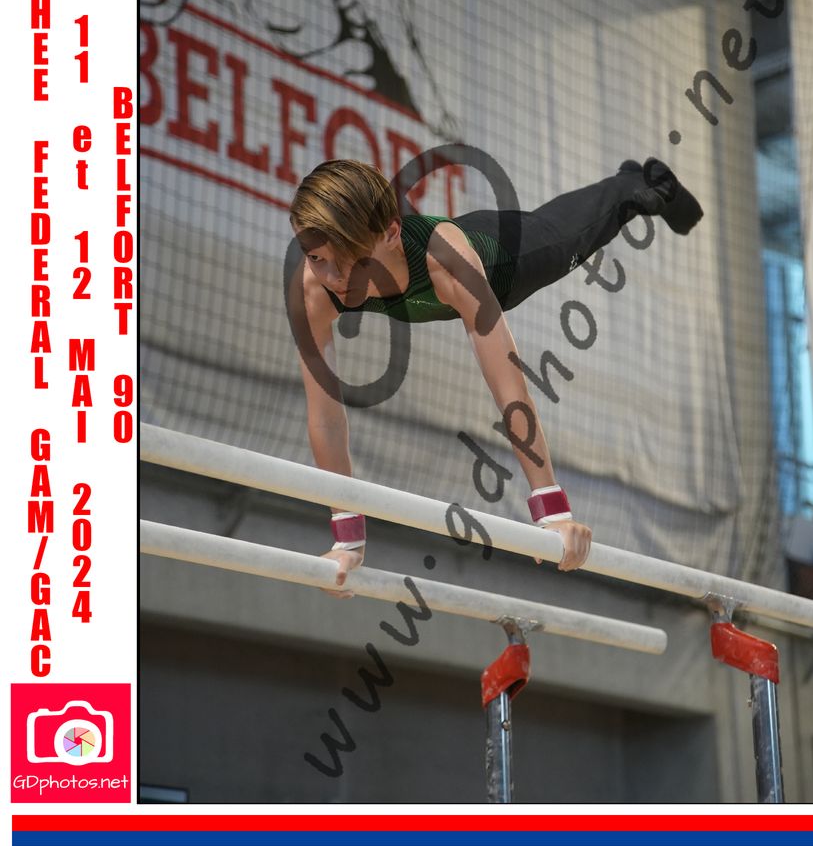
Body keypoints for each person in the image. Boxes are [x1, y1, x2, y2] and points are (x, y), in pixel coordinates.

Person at [284, 155, 702, 597]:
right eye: (317, 257)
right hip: (446, 274)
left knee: (578, 231)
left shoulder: (448, 263)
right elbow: (326, 416)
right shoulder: (313, 288)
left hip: (503, 263)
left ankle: (643, 184)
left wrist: (552, 509)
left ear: (389, 233)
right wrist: (347, 540)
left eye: (349, 260)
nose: (332, 278)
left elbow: (509, 387)